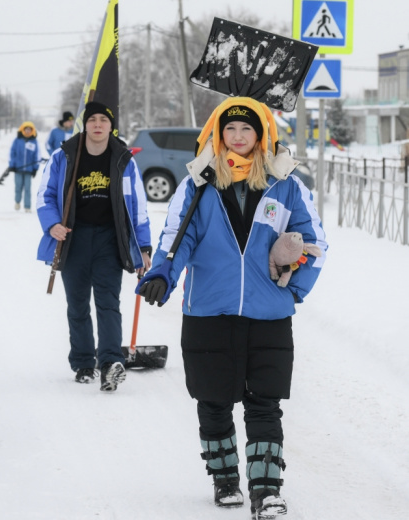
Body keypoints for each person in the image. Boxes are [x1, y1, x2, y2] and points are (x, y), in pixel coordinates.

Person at [137, 97, 327, 518]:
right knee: (214, 399)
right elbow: (177, 235)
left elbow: (314, 244)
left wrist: (293, 289)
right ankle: (225, 481)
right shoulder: (198, 183)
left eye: (247, 130)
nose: (238, 138)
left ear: (261, 134)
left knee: (265, 402)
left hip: (269, 314)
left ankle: (266, 489)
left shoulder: (286, 184)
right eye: (230, 130)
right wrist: (163, 276)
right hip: (208, 308)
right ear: (217, 134)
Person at [36, 101, 152, 392]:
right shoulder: (64, 156)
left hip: (109, 241)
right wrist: (52, 224)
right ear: (84, 124)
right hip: (73, 239)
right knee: (77, 305)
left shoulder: (124, 160)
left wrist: (144, 247)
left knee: (108, 303)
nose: (98, 125)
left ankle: (111, 362)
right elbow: (45, 195)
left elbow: (138, 207)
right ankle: (84, 362)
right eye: (92, 120)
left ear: (111, 126)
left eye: (104, 120)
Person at [9, 121, 41, 212]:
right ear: (22, 130)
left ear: (32, 131)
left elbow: (36, 156)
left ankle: (27, 206)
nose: (27, 131)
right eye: (26, 129)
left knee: (27, 188)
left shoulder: (34, 141)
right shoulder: (17, 141)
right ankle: (17, 202)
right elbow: (12, 153)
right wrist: (12, 165)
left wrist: (35, 168)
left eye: (29, 130)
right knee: (18, 187)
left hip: (29, 170)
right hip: (18, 169)